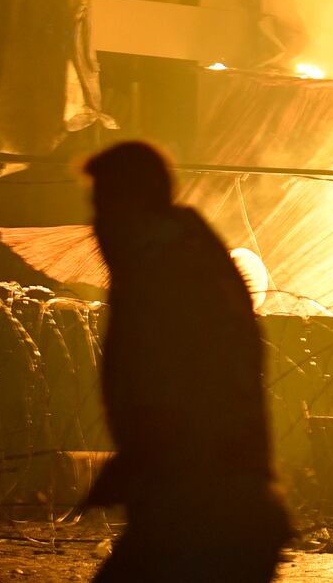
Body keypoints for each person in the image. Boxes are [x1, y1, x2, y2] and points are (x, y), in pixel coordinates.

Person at [84, 141, 292, 581]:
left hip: (207, 512)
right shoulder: (175, 258)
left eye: (104, 206)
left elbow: (188, 385)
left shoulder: (169, 272)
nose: (95, 225)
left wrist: (142, 460)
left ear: (133, 204)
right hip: (211, 507)